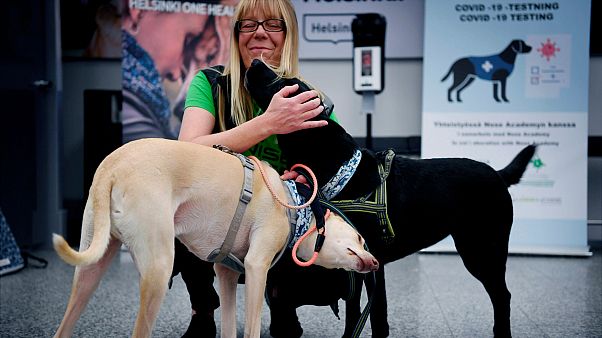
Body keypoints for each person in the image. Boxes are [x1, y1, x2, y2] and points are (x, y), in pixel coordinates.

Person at [175, 0, 334, 336]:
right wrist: (268, 123)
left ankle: (282, 302)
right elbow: (186, 150)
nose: (259, 32)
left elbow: (334, 164)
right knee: (177, 201)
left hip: (277, 222)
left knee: (311, 212)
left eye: (273, 24)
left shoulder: (308, 97)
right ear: (236, 35)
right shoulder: (211, 83)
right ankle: (202, 309)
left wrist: (308, 177)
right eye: (248, 24)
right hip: (213, 216)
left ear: (288, 35)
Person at [121, 0, 231, 143]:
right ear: (139, 11)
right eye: (188, 39)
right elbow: (170, 158)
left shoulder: (136, 100)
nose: (176, 75)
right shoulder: (132, 109)